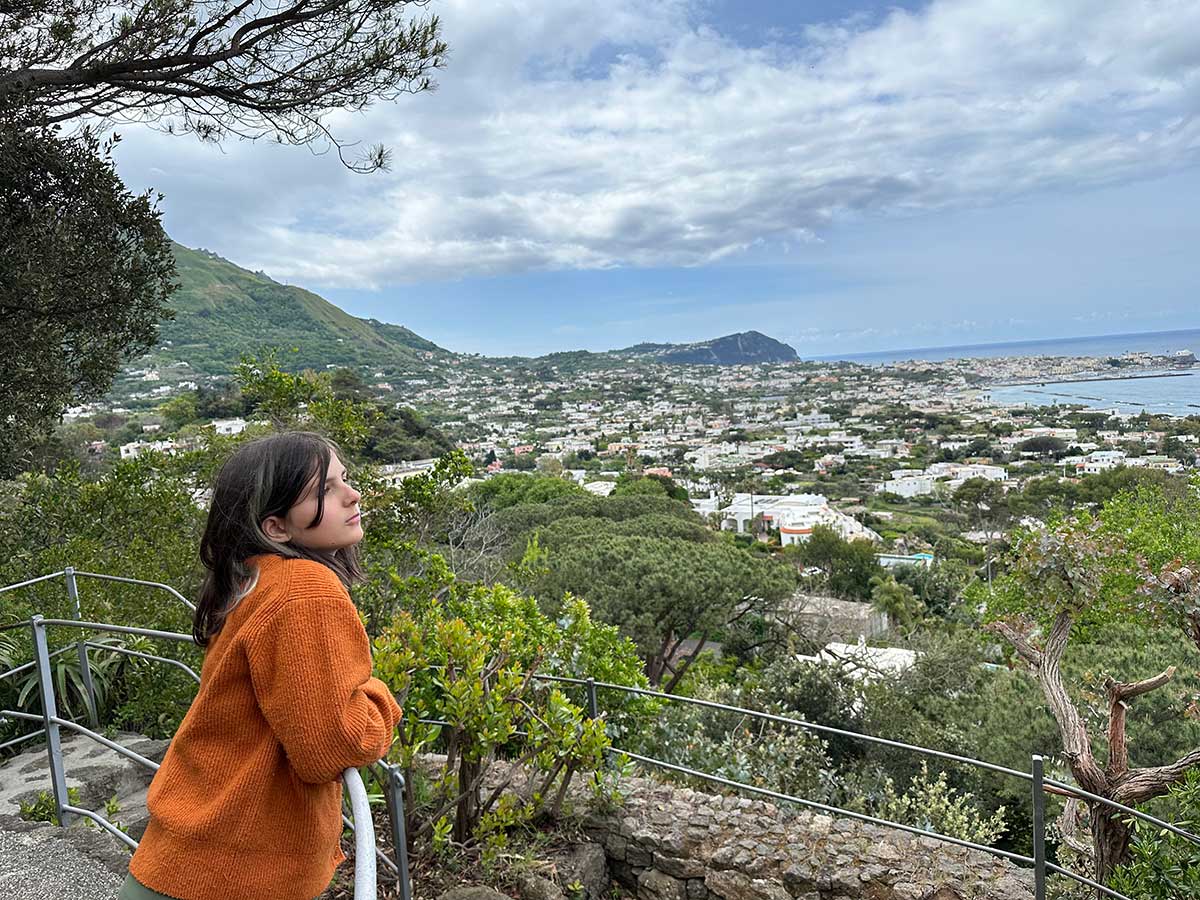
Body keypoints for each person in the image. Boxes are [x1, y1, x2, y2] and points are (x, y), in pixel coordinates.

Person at [119, 431, 403, 900]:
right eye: (324, 491)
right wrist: (379, 698)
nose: (353, 495)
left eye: (344, 479)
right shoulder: (304, 589)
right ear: (275, 527)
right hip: (238, 867)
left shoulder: (256, 578)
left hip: (190, 853)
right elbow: (330, 747)